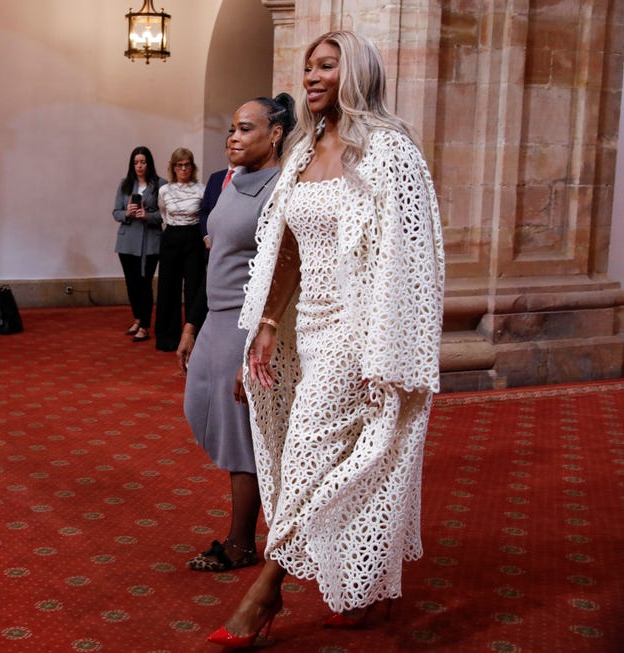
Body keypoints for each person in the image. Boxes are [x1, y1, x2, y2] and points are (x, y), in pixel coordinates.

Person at [206, 31, 445, 648]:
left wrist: (387, 347)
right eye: (309, 66)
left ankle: (266, 591)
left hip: (359, 330)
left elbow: (410, 259)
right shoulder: (303, 151)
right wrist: (266, 325)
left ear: (356, 72)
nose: (311, 76)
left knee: (309, 449)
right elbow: (285, 246)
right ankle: (369, 590)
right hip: (306, 328)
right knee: (337, 459)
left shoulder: (390, 151)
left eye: (327, 66)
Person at [181, 94, 296, 574]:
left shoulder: (281, 188)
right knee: (201, 405)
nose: (233, 137)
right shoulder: (233, 181)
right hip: (216, 316)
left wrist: (257, 337)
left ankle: (242, 542)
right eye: (232, 128)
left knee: (240, 434)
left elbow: (283, 268)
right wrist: (193, 323)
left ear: (275, 134)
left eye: (246, 128)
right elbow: (216, 255)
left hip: (245, 322)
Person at [112, 146, 166, 342]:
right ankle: (137, 318)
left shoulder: (160, 184)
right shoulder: (125, 184)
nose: (139, 166)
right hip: (127, 241)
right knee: (132, 283)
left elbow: (166, 214)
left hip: (150, 241)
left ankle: (144, 325)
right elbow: (115, 212)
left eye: (143, 162)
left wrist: (148, 216)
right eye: (136, 163)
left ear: (149, 163)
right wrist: (127, 213)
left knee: (144, 283)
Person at [155, 148, 206, 352]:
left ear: (192, 167)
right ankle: (167, 337)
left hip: (194, 238)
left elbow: (203, 215)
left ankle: (196, 336)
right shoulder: (164, 190)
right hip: (171, 237)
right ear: (173, 168)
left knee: (194, 287)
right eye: (179, 165)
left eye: (187, 165)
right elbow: (163, 214)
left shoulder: (201, 189)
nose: (183, 169)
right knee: (168, 288)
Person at [199, 138, 239, 251]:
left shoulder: (250, 177)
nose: (234, 151)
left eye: (238, 148)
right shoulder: (215, 178)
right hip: (213, 244)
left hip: (237, 244)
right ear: (226, 151)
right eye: (231, 148)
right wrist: (206, 235)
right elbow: (204, 211)